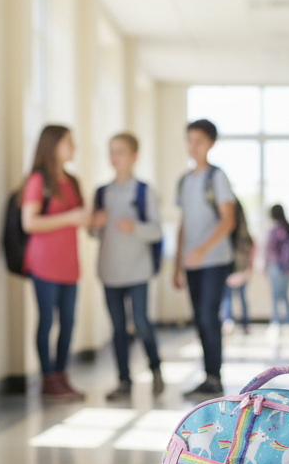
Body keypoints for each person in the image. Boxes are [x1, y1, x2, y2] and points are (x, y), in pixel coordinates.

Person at [22, 124, 95, 402]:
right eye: (68, 142)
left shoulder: (72, 181)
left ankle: (62, 375)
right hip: (43, 263)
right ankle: (48, 379)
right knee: (46, 322)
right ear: (52, 145)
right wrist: (70, 218)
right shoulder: (39, 180)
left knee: (68, 322)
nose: (73, 147)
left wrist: (91, 219)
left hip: (69, 264)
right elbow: (29, 222)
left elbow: (81, 218)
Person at [91, 132, 165, 402]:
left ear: (134, 157)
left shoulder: (143, 191)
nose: (114, 157)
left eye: (120, 151)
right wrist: (94, 225)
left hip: (137, 270)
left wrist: (134, 228)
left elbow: (157, 231)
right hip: (109, 271)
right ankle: (124, 381)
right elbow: (94, 233)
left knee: (142, 322)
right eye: (111, 151)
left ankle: (156, 369)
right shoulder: (101, 193)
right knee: (117, 328)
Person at [174, 119, 238, 399]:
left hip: (214, 260)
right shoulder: (184, 181)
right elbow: (183, 224)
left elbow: (228, 221)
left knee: (208, 317)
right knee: (200, 320)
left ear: (211, 143)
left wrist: (203, 248)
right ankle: (208, 377)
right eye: (189, 140)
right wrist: (178, 263)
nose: (193, 146)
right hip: (192, 264)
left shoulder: (217, 177)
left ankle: (215, 378)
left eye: (199, 140)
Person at [265, 204, 289, 328]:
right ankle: (288, 322)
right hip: (288, 268)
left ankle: (275, 322)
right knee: (285, 296)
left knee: (275, 296)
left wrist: (265, 267)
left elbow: (269, 250)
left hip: (275, 267)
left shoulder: (274, 230)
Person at [220, 238, 253, 335]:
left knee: (228, 299)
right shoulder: (245, 239)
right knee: (231, 299)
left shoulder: (229, 239)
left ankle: (229, 322)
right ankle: (243, 323)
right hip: (239, 273)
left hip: (233, 273)